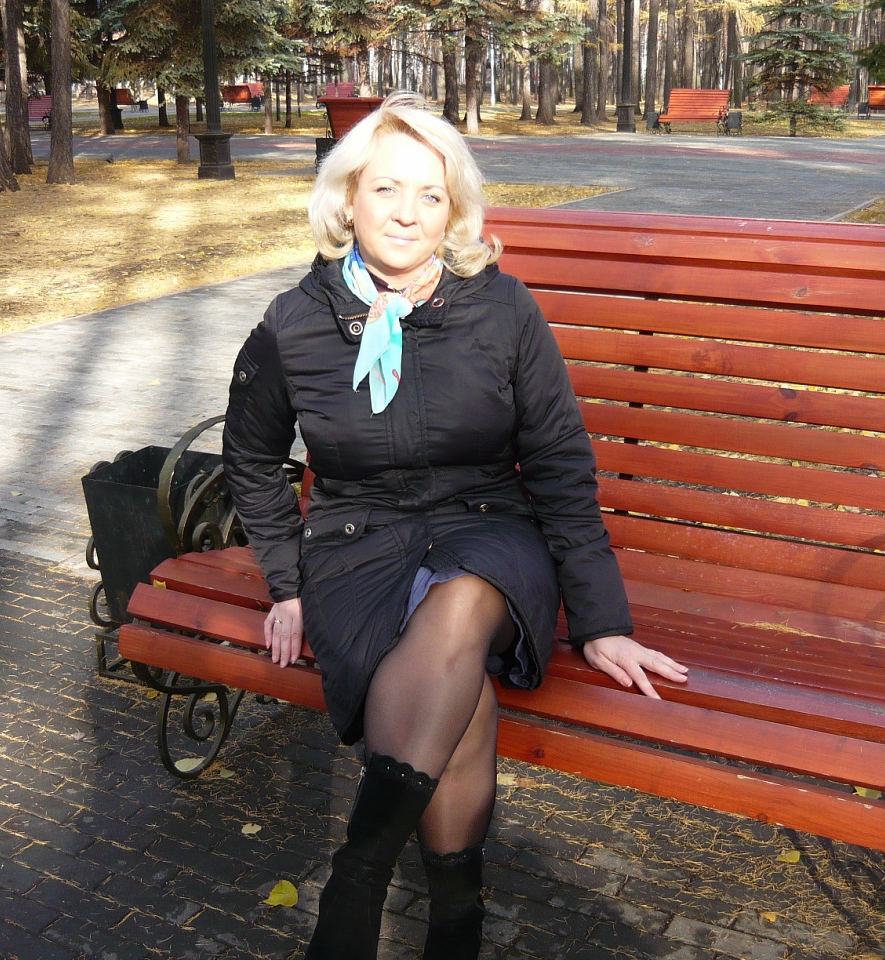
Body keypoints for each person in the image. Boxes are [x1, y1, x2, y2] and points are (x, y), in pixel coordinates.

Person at [222, 91, 688, 960]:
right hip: (356, 546)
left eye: (430, 195)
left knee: (465, 598)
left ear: (454, 212)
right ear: (347, 200)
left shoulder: (502, 310)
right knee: (459, 695)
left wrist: (601, 621)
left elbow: (559, 464)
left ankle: (356, 880)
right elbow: (249, 457)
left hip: (489, 530)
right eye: (386, 189)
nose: (407, 213)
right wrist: (285, 584)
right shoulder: (294, 324)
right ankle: (456, 926)